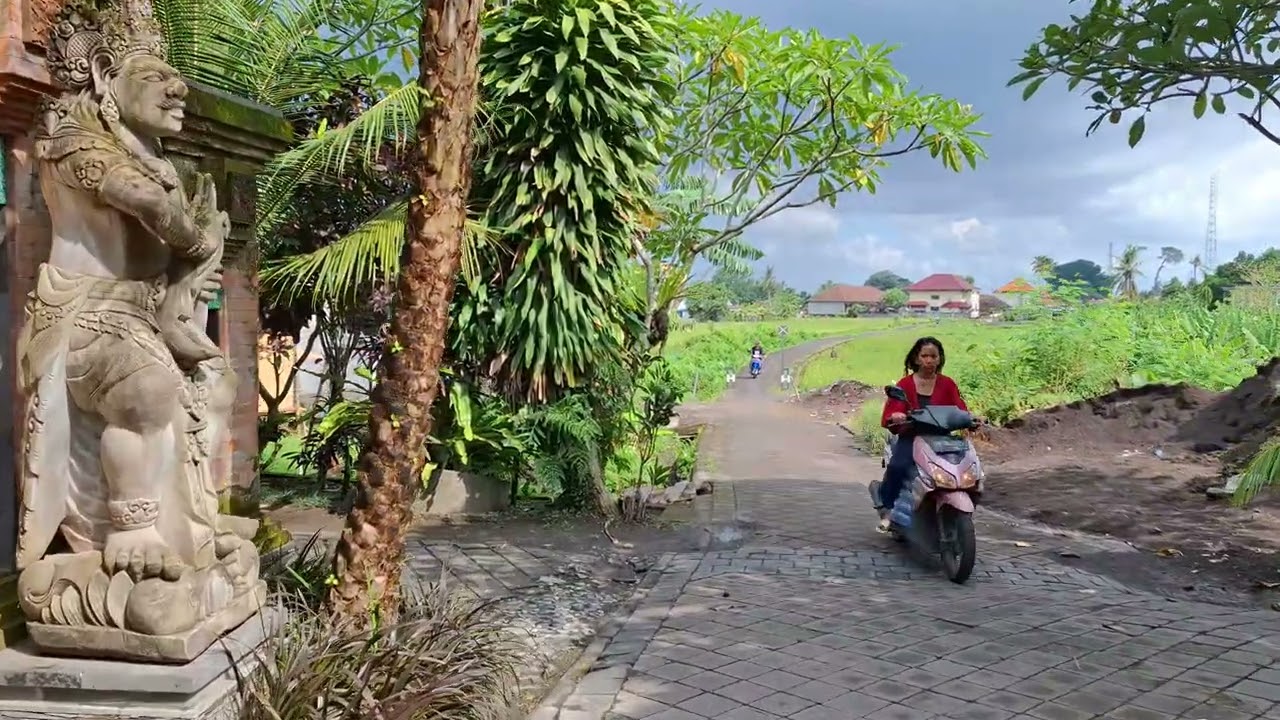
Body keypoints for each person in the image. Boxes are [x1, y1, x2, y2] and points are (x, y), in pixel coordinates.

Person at [876, 336, 970, 531]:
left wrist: (972, 418)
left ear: (939, 359)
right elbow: (893, 409)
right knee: (898, 466)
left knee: (963, 468)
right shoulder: (906, 384)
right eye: (924, 356)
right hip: (912, 436)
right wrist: (897, 415)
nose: (929, 360)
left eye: (933, 356)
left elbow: (960, 408)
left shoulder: (947, 384)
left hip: (942, 438)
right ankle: (887, 506)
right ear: (917, 359)